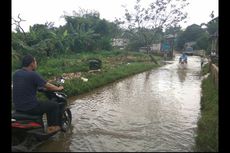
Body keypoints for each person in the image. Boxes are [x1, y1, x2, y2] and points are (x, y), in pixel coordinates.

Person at [12, 54, 64, 134]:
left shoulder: (16, 74)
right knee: (54, 105)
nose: (36, 63)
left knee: (43, 103)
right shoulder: (33, 74)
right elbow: (48, 86)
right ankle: (52, 127)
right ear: (31, 63)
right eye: (35, 61)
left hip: (18, 106)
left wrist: (39, 88)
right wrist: (58, 88)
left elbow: (26, 85)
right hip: (30, 107)